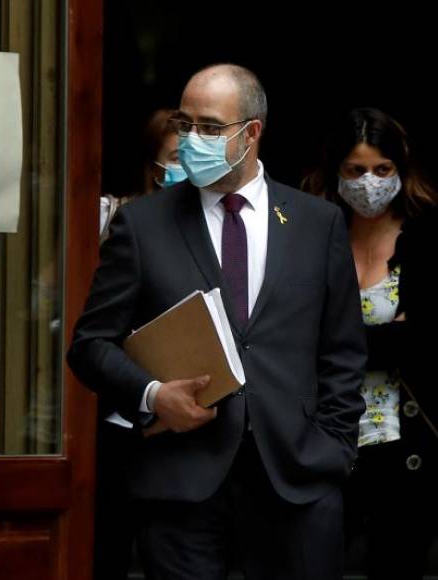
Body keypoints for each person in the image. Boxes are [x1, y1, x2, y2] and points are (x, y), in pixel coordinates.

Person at [68, 63, 367, 579]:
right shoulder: (142, 224)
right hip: (182, 488)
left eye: (209, 127)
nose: (192, 140)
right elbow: (91, 344)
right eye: (185, 125)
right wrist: (153, 395)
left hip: (297, 481)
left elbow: (342, 351)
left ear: (252, 133)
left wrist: (333, 448)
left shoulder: (318, 225)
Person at [302, 107, 438, 579]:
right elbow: (293, 339)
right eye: (356, 170)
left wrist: (338, 343)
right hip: (328, 446)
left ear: (401, 169)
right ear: (336, 172)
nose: (369, 182)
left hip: (403, 450)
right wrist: (388, 339)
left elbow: (430, 344)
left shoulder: (431, 240)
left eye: (382, 169)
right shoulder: (312, 240)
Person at [94, 107, 183, 580]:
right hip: (118, 412)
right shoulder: (112, 216)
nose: (184, 165)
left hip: (189, 415)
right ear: (154, 163)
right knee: (107, 545)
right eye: (175, 156)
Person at [99, 108, 183, 240]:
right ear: (154, 167)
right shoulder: (107, 215)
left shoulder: (207, 221)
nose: (188, 168)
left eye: (193, 158)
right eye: (178, 159)